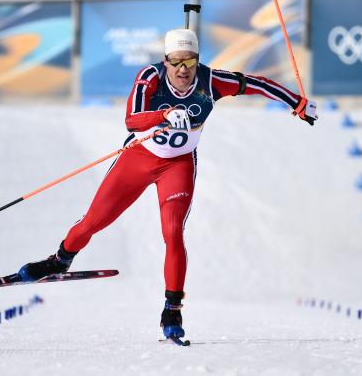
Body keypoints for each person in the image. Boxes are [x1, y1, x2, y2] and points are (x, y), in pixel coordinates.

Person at [18, 28, 317, 339]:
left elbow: (256, 84)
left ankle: (172, 309)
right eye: (176, 63)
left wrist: (297, 103)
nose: (183, 70)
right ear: (165, 61)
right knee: (93, 222)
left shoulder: (212, 81)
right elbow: (132, 119)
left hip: (177, 165)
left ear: (197, 60)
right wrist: (163, 115)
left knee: (173, 232)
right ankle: (60, 260)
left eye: (189, 61)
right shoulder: (150, 76)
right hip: (139, 158)